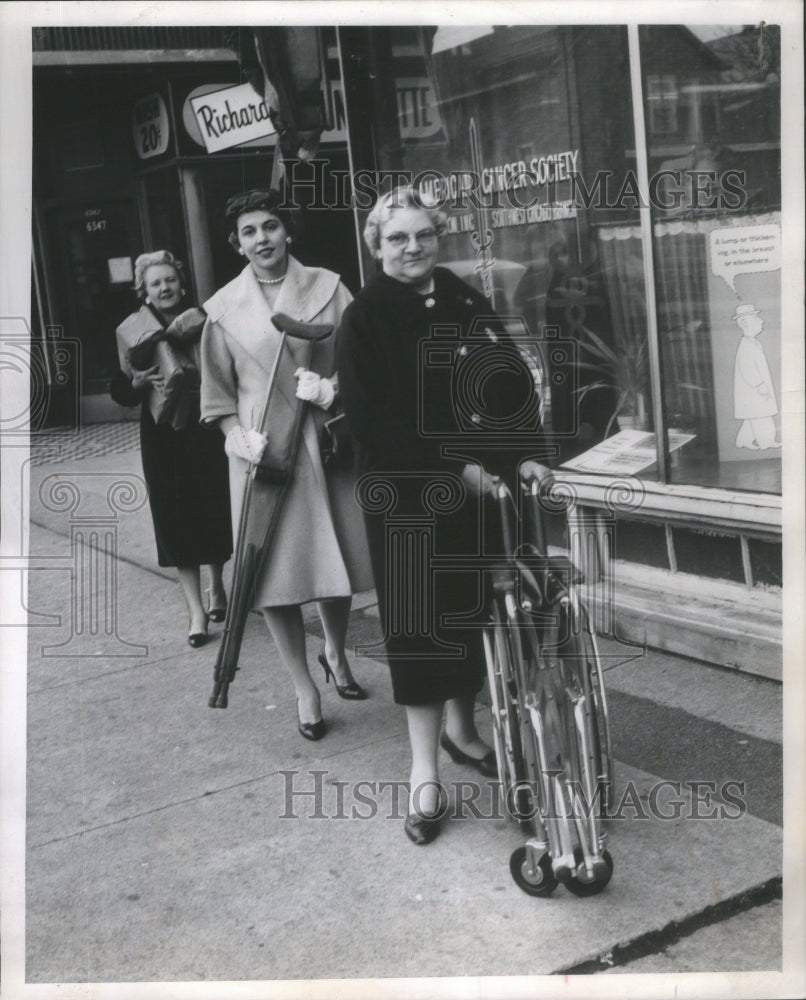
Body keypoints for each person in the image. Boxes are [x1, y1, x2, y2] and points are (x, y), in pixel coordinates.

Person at [336, 187, 550, 844]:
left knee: (474, 615)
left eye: (422, 234)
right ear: (377, 246)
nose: (412, 247)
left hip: (482, 493)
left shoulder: (464, 301)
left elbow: (510, 383)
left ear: (439, 237)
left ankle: (465, 731)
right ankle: (424, 773)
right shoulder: (365, 318)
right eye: (397, 238)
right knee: (422, 630)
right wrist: (455, 469)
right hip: (408, 498)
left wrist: (529, 458)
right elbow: (375, 422)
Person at [200, 189, 373, 741]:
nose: (262, 239)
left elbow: (363, 358)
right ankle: (304, 687)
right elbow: (216, 396)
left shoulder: (329, 286)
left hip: (324, 440)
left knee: (335, 563)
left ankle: (336, 653)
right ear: (237, 243)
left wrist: (333, 389)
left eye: (270, 226)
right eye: (249, 232)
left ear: (287, 231)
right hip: (263, 451)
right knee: (268, 575)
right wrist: (234, 438)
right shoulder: (223, 309)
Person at [111, 250, 232, 647]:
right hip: (163, 437)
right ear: (144, 292)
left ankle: (217, 587)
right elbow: (119, 389)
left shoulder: (204, 321)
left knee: (214, 508)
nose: (164, 288)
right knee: (175, 519)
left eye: (170, 280)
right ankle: (196, 610)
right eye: (155, 283)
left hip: (206, 426)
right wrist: (137, 383)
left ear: (181, 283)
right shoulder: (135, 330)